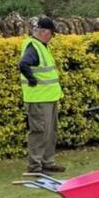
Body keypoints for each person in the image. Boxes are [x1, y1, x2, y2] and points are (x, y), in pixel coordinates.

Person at [18, 17, 65, 174]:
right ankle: (35, 167)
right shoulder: (33, 47)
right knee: (40, 133)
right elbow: (24, 64)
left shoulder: (42, 47)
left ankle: (47, 162)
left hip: (48, 97)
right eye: (52, 33)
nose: (52, 37)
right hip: (38, 99)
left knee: (50, 133)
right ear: (44, 32)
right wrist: (32, 80)